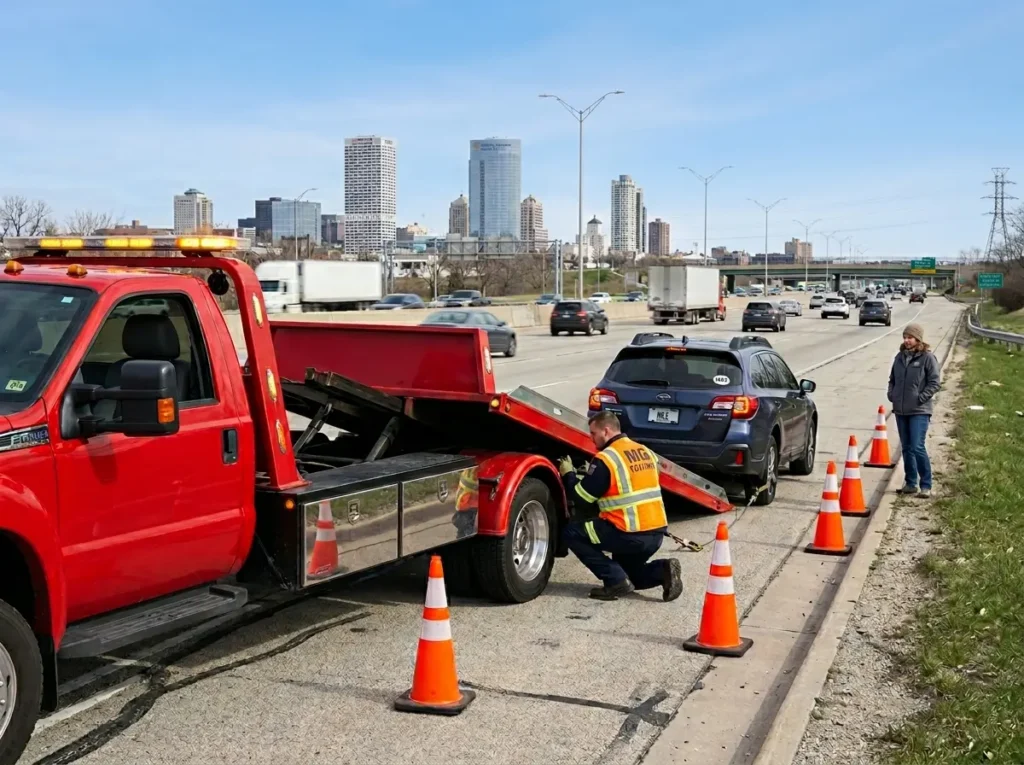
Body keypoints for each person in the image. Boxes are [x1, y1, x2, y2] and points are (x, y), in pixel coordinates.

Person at [558, 410, 684, 601]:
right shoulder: (645, 452)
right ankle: (663, 570)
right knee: (630, 577)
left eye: (593, 433)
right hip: (656, 533)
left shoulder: (606, 459)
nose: (591, 439)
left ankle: (614, 581)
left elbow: (582, 499)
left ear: (606, 431)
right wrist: (593, 477)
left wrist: (569, 475)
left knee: (571, 533)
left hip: (627, 532)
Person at [887, 322, 941, 498]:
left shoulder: (927, 358)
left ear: (918, 339)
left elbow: (934, 383)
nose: (907, 340)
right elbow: (892, 379)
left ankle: (926, 484)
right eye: (905, 337)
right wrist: (892, 394)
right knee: (907, 448)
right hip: (901, 410)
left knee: (917, 446)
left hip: (919, 410)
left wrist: (921, 398)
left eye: (910, 337)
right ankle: (911, 483)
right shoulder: (899, 357)